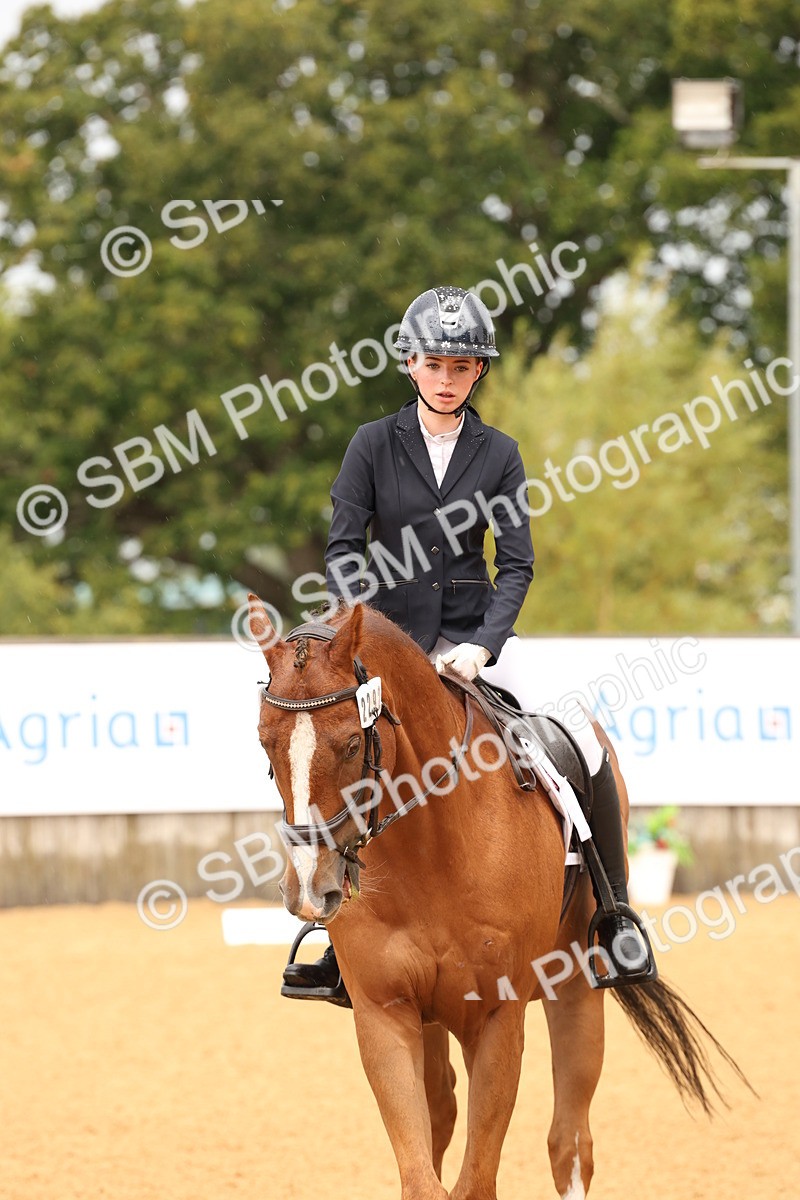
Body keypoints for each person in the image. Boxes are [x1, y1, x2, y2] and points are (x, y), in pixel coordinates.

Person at [283, 285, 654, 996]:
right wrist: (367, 629)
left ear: (478, 372)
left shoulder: (499, 455)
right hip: (385, 644)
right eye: (435, 365)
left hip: (477, 640)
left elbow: (516, 562)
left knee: (578, 734)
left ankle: (614, 913)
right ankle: (338, 940)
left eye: (462, 366)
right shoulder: (370, 445)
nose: (447, 378)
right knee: (326, 752)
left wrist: (484, 645)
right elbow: (342, 550)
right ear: (410, 365)